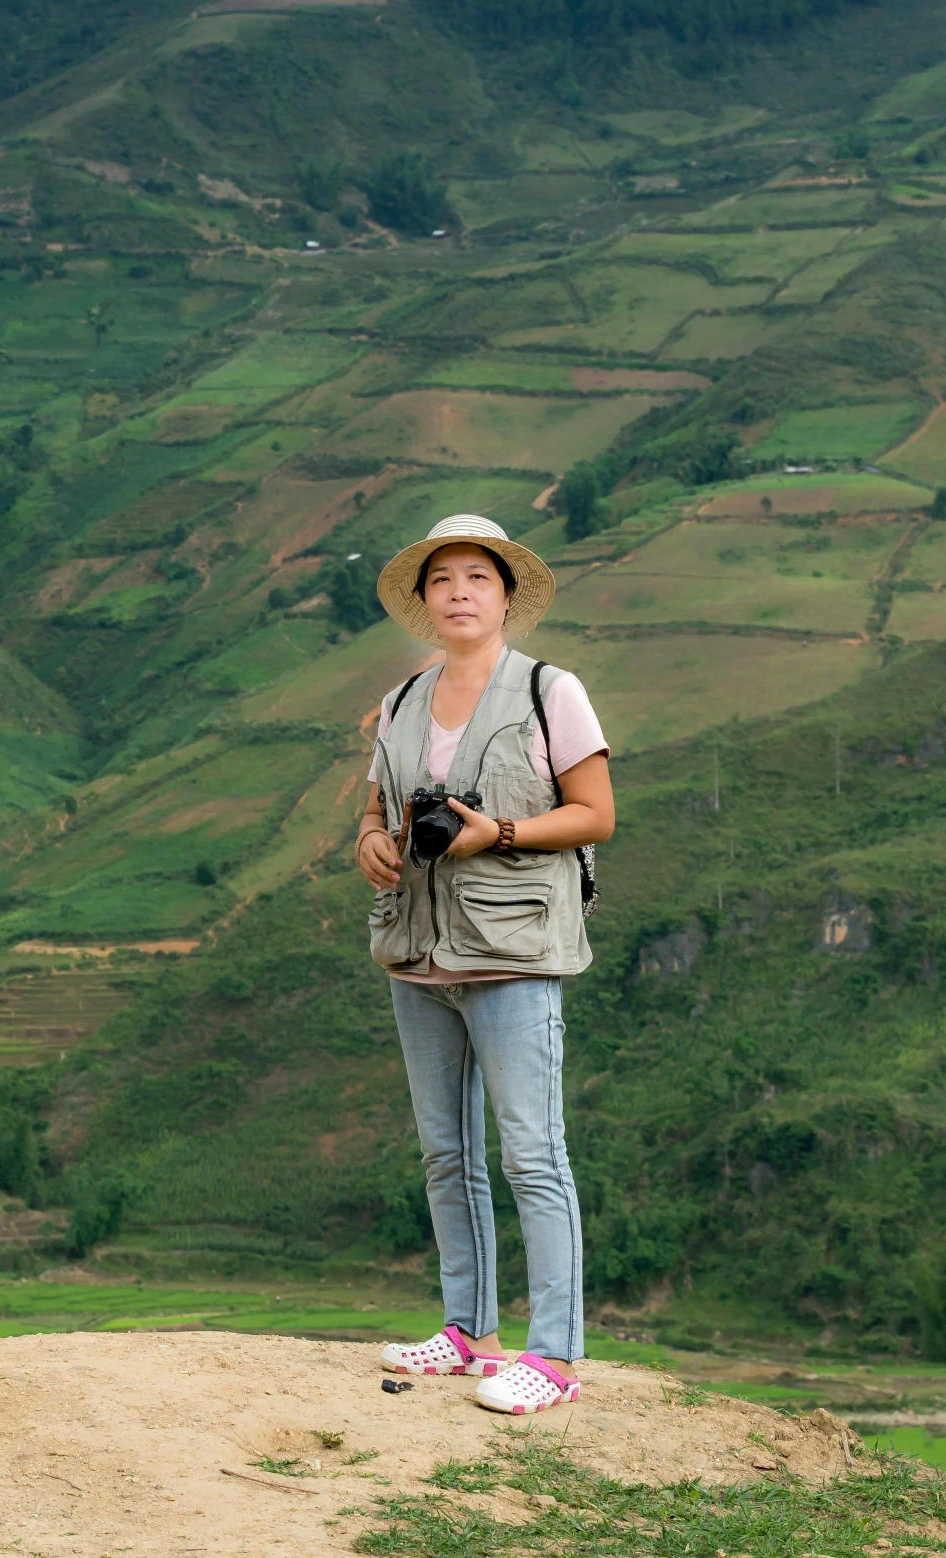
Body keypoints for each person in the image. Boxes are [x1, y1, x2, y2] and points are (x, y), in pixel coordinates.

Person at [354, 513, 614, 1416]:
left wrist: (496, 833)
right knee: (446, 1152)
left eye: (477, 577)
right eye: (443, 579)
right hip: (418, 952)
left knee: (533, 1156)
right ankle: (469, 1332)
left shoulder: (550, 691)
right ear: (423, 602)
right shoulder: (399, 701)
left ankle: (555, 1356)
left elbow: (592, 813)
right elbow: (379, 806)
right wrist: (370, 842)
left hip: (510, 952)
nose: (459, 592)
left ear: (506, 597)